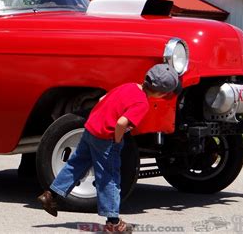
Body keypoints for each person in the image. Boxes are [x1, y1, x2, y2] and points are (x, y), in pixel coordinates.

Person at [37, 64, 180, 233]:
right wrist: (117, 140)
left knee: (76, 164)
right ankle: (113, 222)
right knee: (109, 178)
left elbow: (101, 99)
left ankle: (50, 195)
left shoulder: (128, 86)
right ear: (161, 93)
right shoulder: (142, 103)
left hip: (90, 128)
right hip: (106, 138)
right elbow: (121, 123)